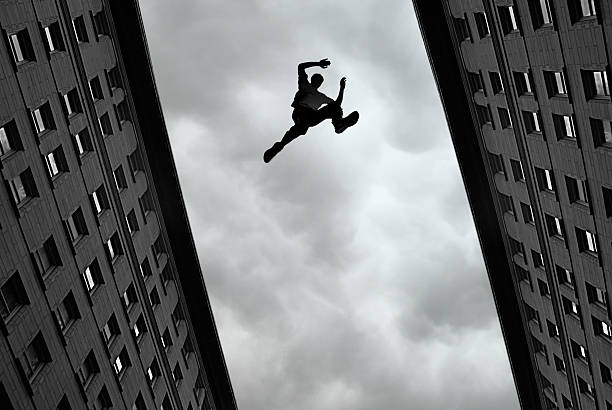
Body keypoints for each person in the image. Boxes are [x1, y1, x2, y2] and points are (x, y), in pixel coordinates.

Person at [263, 58, 359, 163]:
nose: (318, 83)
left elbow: (337, 105)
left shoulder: (321, 96)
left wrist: (342, 88)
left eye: (320, 82)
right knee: (302, 128)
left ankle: (339, 124)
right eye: (316, 80)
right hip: (301, 112)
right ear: (312, 80)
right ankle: (278, 147)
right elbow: (301, 66)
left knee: (336, 108)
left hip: (313, 116)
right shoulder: (304, 84)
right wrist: (318, 64)